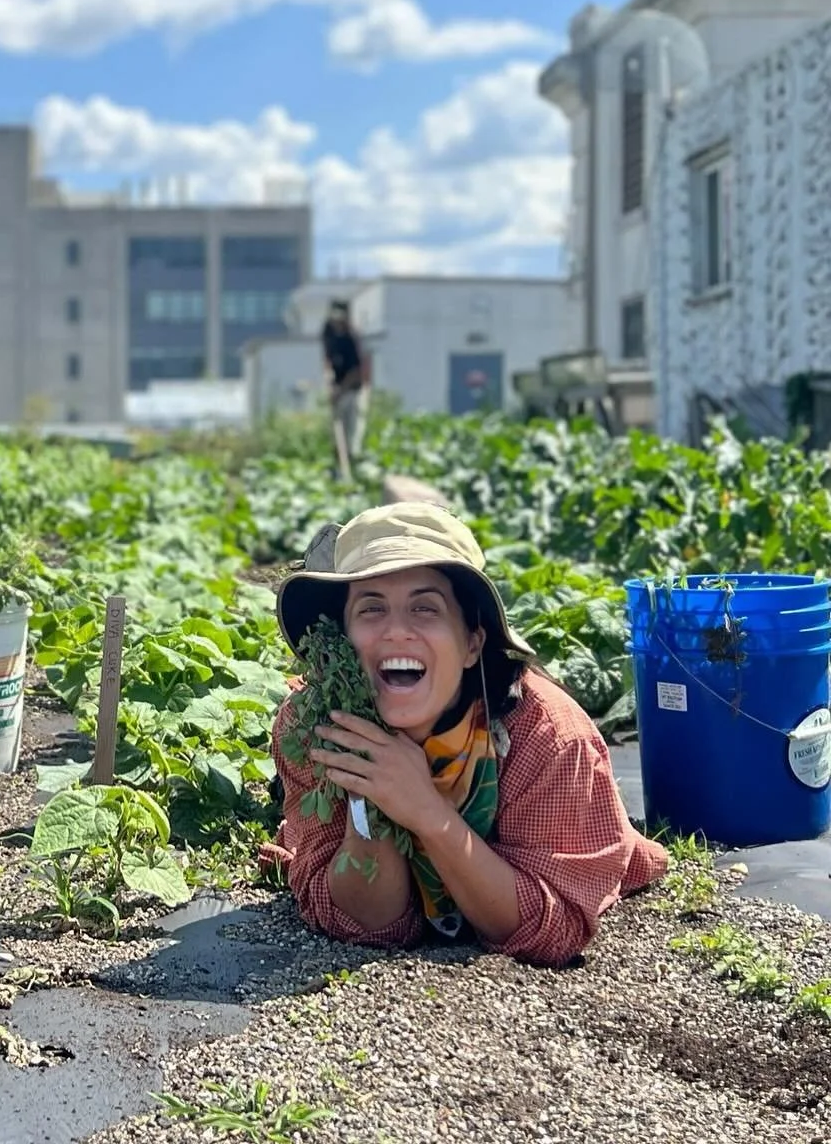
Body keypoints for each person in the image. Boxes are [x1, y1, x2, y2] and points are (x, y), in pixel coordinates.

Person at [265, 502, 666, 967]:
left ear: (472, 643)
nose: (397, 630)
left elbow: (551, 933)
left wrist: (428, 813)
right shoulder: (312, 726)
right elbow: (365, 924)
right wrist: (369, 798)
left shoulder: (547, 736)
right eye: (371, 608)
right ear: (341, 636)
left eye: (425, 608)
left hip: (560, 854)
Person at [321, 302, 368, 470]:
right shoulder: (328, 334)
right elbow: (327, 360)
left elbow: (356, 370)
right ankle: (338, 467)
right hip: (338, 390)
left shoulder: (350, 339)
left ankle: (352, 467)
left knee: (351, 435)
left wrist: (340, 390)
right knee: (336, 433)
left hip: (353, 391)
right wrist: (330, 385)